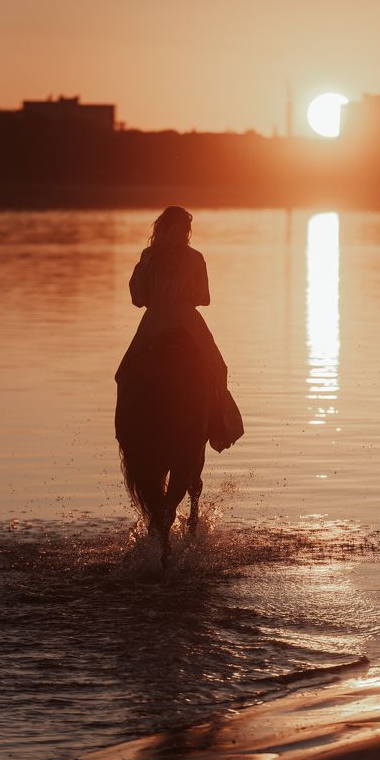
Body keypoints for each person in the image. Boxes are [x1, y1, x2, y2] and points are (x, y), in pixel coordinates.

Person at [115, 207, 243, 549]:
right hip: (188, 325)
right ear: (182, 231)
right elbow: (203, 297)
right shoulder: (195, 257)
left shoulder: (148, 256)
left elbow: (137, 298)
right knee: (216, 372)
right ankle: (219, 426)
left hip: (153, 326)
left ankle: (126, 430)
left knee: (126, 375)